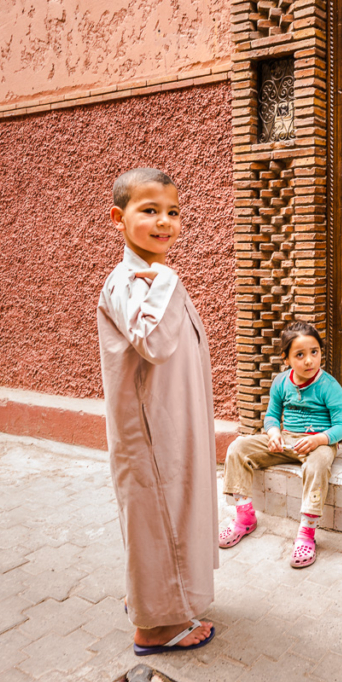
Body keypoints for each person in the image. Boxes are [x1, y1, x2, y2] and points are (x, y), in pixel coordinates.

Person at [97, 168, 218, 655]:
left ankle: (158, 601)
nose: (164, 221)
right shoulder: (132, 279)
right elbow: (152, 341)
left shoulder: (149, 274)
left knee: (166, 515)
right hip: (150, 433)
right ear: (118, 218)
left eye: (173, 212)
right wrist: (166, 280)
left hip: (169, 423)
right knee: (160, 515)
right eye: (149, 210)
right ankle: (155, 629)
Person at [219, 320, 342, 568]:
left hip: (318, 443)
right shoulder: (280, 382)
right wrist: (274, 432)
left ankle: (307, 533)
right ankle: (244, 517)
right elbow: (271, 415)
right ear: (286, 359)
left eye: (314, 352)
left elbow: (341, 426)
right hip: (286, 440)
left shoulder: (330, 386)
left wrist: (320, 440)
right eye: (300, 355)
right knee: (237, 447)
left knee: (318, 465)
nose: (309, 360)